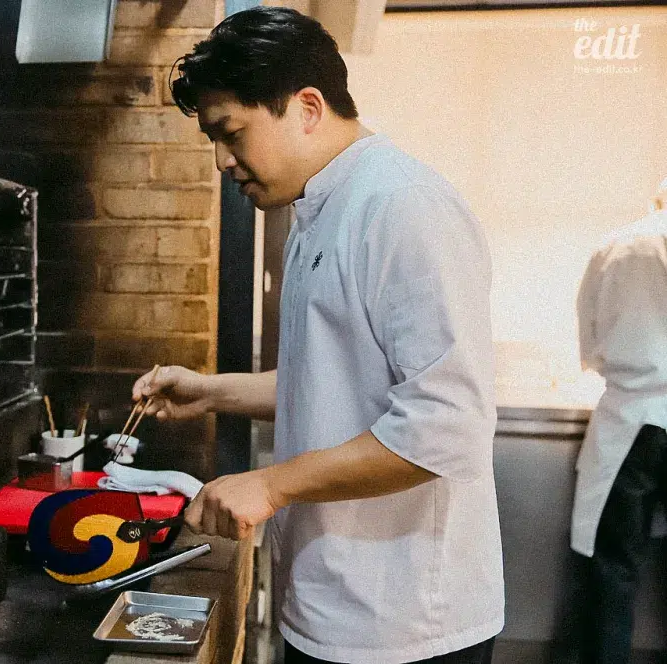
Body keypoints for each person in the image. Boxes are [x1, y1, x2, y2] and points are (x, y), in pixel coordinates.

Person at [131, 7, 503, 664]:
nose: (222, 161)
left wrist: (270, 484)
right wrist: (209, 391)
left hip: (403, 624)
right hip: (331, 603)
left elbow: (447, 425)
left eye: (232, 133)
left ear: (307, 107)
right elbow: (335, 382)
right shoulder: (315, 212)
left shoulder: (402, 207)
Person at [570, 177, 667, 664]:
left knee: (614, 570)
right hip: (642, 416)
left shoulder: (616, 245)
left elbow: (589, 344)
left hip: (630, 423)